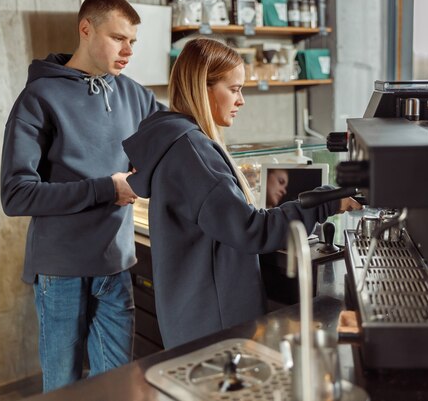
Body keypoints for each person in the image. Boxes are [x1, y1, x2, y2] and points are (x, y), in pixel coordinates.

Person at [122, 38, 361, 349]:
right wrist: (326, 201)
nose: (241, 100)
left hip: (189, 316)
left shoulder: (173, 139)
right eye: (234, 89)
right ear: (204, 89)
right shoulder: (193, 152)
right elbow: (252, 230)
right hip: (215, 327)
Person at [0, 0, 165, 392]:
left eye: (133, 42)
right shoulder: (38, 98)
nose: (128, 50)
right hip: (61, 269)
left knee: (116, 384)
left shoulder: (136, 96)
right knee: (64, 386)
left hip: (117, 263)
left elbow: (174, 145)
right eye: (118, 38)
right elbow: (16, 194)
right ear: (86, 29)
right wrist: (107, 189)